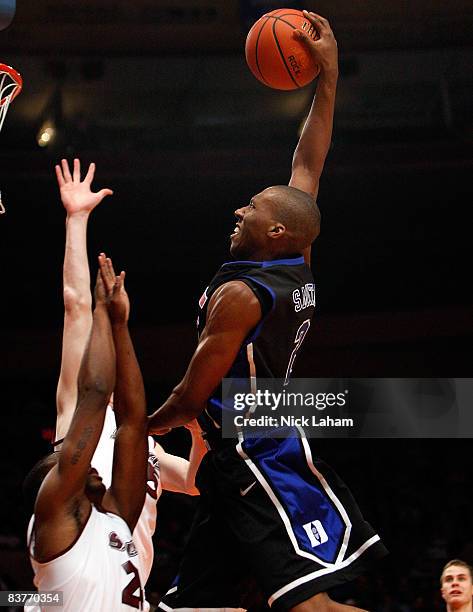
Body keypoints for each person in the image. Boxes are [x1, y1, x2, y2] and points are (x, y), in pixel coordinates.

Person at [148, 11, 387, 612]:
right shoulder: (296, 260)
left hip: (254, 448)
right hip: (257, 433)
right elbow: (308, 165)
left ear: (275, 228)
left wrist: (129, 430)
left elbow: (187, 400)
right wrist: (327, 76)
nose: (239, 211)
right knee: (199, 606)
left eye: (250, 208)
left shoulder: (239, 296)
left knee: (309, 606)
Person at [52, 158, 207, 589]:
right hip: (69, 586)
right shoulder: (79, 420)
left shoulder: (149, 446)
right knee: (29, 600)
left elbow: (195, 484)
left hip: (127, 592)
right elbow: (75, 305)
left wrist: (198, 435)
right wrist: (77, 218)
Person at [24, 256, 148, 610]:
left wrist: (121, 324)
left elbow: (134, 424)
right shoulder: (55, 518)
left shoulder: (115, 518)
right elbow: (93, 396)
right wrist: (100, 311)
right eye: (58, 462)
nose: (85, 464)